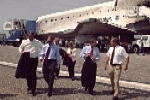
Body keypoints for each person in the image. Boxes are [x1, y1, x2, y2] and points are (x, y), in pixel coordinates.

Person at [19, 30, 43, 96]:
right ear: (28, 36)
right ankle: (29, 86)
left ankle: (33, 89)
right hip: (27, 59)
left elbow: (43, 47)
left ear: (33, 36)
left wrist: (41, 56)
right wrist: (21, 51)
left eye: (32, 36)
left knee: (33, 74)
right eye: (30, 36)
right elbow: (20, 47)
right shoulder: (24, 42)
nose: (31, 37)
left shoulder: (37, 42)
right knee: (28, 74)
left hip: (34, 60)